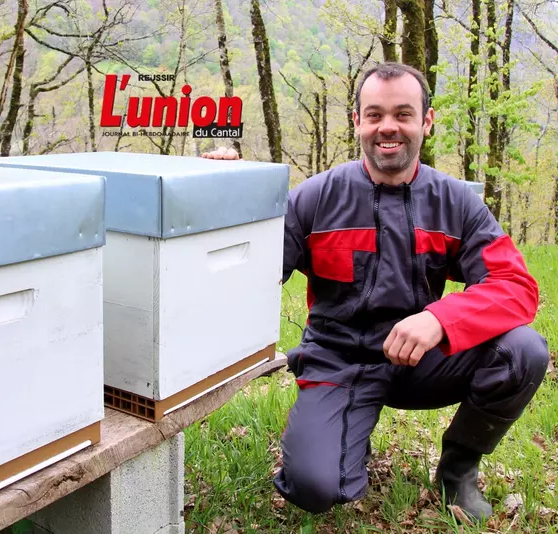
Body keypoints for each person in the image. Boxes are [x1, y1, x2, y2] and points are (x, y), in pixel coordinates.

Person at [201, 62, 550, 522]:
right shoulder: (315, 198)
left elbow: (517, 287)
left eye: (403, 114)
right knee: (314, 488)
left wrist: (441, 319)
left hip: (421, 360)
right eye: (375, 114)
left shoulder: (456, 202)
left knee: (523, 351)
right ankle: (340, 432)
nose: (388, 127)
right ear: (358, 122)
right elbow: (245, 270)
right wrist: (223, 194)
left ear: (426, 121)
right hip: (337, 360)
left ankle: (458, 469)